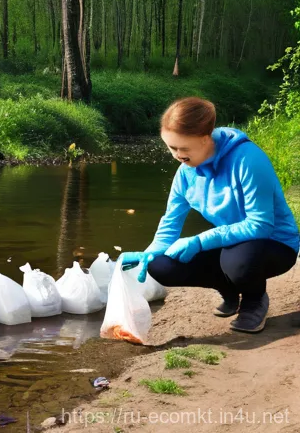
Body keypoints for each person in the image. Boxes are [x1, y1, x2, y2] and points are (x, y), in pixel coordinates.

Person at [120, 97, 299, 334]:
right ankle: (229, 291)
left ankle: (254, 300)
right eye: (171, 147)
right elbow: (170, 223)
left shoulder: (248, 160)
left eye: (183, 148)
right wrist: (149, 253)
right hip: (232, 242)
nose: (177, 156)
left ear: (205, 139)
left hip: (274, 244)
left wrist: (199, 241)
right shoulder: (185, 173)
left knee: (238, 262)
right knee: (161, 265)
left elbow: (260, 225)